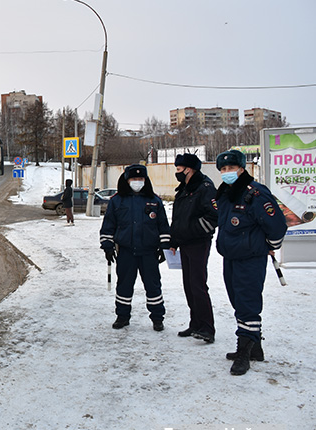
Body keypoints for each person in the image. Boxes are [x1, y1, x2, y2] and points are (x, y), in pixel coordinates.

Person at [215, 149, 287, 375]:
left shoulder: (256, 193)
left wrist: (270, 246)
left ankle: (244, 353)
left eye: (232, 168)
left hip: (250, 259)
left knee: (247, 303)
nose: (227, 172)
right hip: (231, 257)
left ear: (242, 169)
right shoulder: (226, 193)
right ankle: (255, 347)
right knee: (238, 301)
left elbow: (277, 225)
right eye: (223, 169)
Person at [100, 164, 171, 331]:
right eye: (134, 179)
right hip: (126, 252)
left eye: (140, 179)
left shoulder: (154, 200)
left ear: (145, 180)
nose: (137, 182)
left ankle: (157, 318)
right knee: (124, 286)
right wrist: (107, 246)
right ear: (127, 180)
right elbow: (108, 226)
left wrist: (165, 246)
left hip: (149, 252)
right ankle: (122, 316)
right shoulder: (117, 201)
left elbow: (163, 226)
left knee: (153, 286)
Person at [170, 153, 218, 343]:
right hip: (185, 243)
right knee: (189, 285)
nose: (177, 173)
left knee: (198, 285)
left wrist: (192, 232)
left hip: (198, 242)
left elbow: (213, 217)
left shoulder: (204, 187)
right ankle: (195, 323)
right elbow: (179, 219)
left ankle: (207, 328)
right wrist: (175, 240)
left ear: (189, 169)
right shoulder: (185, 189)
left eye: (179, 169)